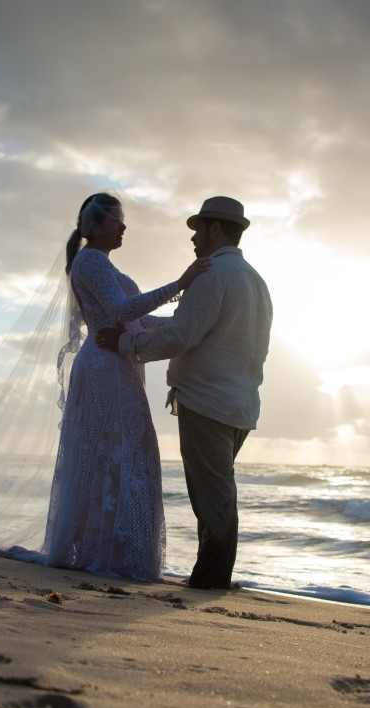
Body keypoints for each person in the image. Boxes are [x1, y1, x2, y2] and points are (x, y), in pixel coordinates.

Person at [95, 196, 272, 589]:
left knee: (214, 504)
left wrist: (125, 345)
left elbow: (182, 335)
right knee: (218, 497)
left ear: (215, 229)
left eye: (197, 230)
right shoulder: (257, 282)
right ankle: (212, 579)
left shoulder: (210, 274)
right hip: (241, 404)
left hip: (207, 402)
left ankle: (209, 583)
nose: (193, 240)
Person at [43, 192, 210, 581]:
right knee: (111, 454)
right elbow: (121, 310)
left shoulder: (102, 264)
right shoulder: (89, 260)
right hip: (104, 367)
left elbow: (137, 321)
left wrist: (184, 323)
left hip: (118, 365)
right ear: (96, 226)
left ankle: (115, 549)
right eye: (117, 220)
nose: (123, 227)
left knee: (125, 454)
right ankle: (102, 551)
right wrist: (180, 283)